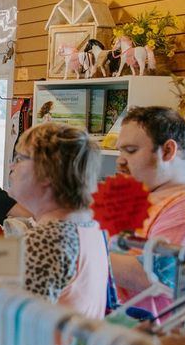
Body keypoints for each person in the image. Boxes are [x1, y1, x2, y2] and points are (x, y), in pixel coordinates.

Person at [110, 106, 185, 315]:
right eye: (120, 151)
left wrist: (82, 253)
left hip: (151, 339)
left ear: (168, 150)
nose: (120, 160)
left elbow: (157, 273)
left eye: (131, 150)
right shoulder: (145, 196)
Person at [7, 123, 109, 317]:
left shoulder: (48, 238)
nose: (12, 166)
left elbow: (19, 324)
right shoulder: (88, 225)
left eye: (20, 159)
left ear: (47, 171)